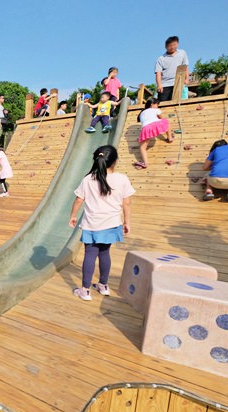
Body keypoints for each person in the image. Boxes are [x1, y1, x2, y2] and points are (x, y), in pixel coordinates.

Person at [69, 145, 134, 301]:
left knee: (90, 255)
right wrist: (127, 222)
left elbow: (79, 199)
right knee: (105, 253)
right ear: (115, 161)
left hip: (92, 224)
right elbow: (127, 203)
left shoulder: (88, 179)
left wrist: (73, 215)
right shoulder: (122, 179)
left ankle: (85, 290)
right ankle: (103, 286)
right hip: (112, 224)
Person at [135, 98, 174, 169]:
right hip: (156, 125)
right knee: (166, 121)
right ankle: (170, 138)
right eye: (157, 104)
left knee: (142, 147)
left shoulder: (141, 113)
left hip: (146, 128)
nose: (157, 106)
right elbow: (162, 118)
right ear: (152, 104)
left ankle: (145, 163)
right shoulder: (156, 110)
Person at [155, 36, 189, 102]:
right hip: (165, 84)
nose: (172, 47)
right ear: (166, 47)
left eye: (174, 45)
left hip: (178, 82)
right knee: (163, 102)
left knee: (178, 102)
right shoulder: (161, 58)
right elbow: (158, 73)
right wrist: (159, 85)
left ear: (177, 44)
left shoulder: (182, 53)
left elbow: (185, 67)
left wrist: (187, 79)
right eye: (170, 46)